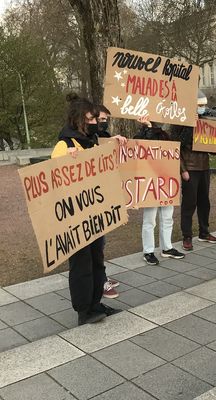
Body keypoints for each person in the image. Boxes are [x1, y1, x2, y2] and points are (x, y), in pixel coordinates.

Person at [51, 94, 120, 325]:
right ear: (79, 119)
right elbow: (54, 181)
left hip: (96, 213)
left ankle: (96, 302)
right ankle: (84, 310)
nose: (95, 123)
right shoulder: (65, 145)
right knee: (82, 264)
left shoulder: (90, 141)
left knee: (97, 259)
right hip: (76, 217)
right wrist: (67, 163)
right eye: (91, 119)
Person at [171, 92, 216, 251]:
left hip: (204, 167)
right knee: (189, 204)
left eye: (203, 105)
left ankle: (204, 232)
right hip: (190, 169)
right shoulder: (179, 123)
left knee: (204, 202)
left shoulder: (205, 122)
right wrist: (182, 170)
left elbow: (208, 144)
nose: (202, 108)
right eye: (199, 106)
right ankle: (187, 236)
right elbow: (175, 147)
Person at [135, 116, 186, 265]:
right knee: (150, 219)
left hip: (165, 182)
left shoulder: (165, 135)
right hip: (150, 183)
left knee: (167, 217)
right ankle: (148, 251)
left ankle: (167, 247)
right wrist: (148, 128)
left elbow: (174, 152)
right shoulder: (140, 135)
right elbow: (144, 147)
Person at [96, 105, 126, 300]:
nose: (102, 123)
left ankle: (101, 276)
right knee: (95, 245)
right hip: (91, 199)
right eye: (98, 120)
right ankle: (100, 282)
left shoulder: (103, 136)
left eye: (105, 119)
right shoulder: (74, 141)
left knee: (100, 242)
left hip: (101, 195)